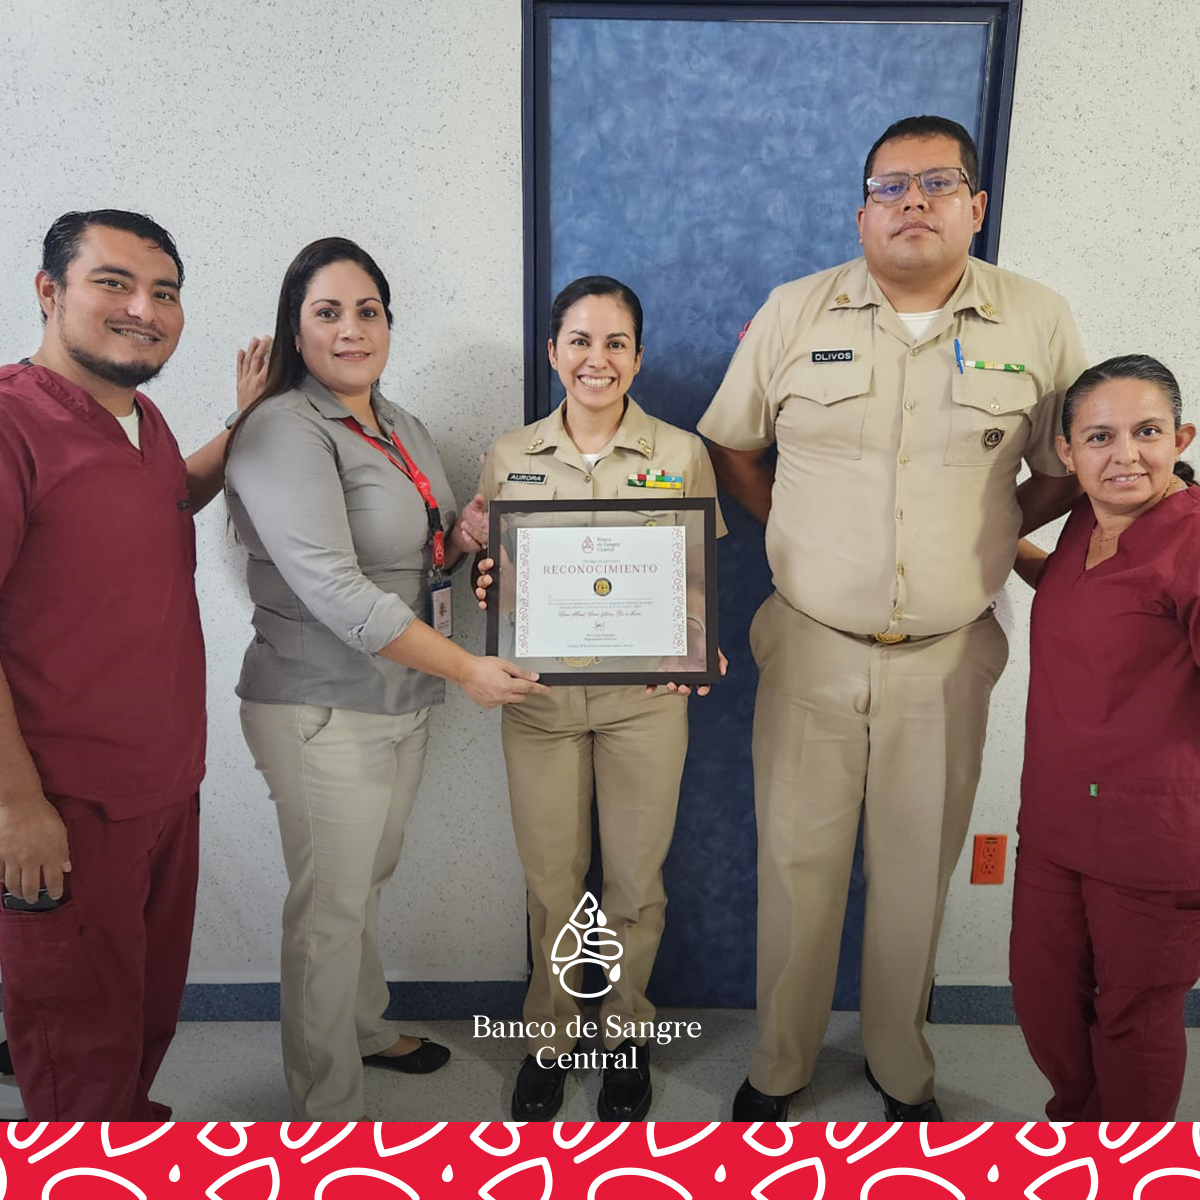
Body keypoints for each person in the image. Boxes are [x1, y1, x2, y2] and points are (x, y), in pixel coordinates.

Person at [698, 115, 1089, 1122]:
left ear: (976, 205)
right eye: (890, 185)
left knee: (918, 871)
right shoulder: (794, 312)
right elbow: (732, 447)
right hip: (812, 645)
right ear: (862, 206)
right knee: (796, 864)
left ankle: (897, 1061)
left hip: (949, 655)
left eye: (937, 182)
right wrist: (789, 525)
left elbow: (1061, 469)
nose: (912, 201)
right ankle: (781, 1059)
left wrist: (998, 528)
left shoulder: (1037, 321)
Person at [225, 237, 547, 1122]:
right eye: (328, 311)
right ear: (297, 325)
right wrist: (469, 668)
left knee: (363, 876)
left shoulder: (397, 423)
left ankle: (364, 1027)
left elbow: (418, 556)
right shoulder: (283, 427)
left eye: (368, 310)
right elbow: (334, 587)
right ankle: (325, 1108)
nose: (352, 328)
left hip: (399, 696)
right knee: (329, 905)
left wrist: (464, 538)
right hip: (318, 704)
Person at [0, 209, 263, 1119]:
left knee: (144, 1009)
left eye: (165, 292)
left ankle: (123, 1126)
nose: (143, 309)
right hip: (64, 803)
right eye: (112, 282)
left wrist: (245, 422)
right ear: (48, 291)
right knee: (77, 1036)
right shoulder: (10, 425)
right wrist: (16, 805)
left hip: (162, 785)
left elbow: (165, 498)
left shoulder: (138, 417)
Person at [470, 275, 727, 1122]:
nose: (597, 358)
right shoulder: (510, 455)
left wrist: (697, 639)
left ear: (639, 357)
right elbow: (497, 573)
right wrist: (489, 585)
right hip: (537, 702)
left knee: (634, 883)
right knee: (551, 881)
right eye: (580, 340)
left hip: (646, 702)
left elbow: (695, 572)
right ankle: (547, 1038)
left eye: (616, 342)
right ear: (552, 352)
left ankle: (624, 1033)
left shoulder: (681, 452)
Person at [1010, 354, 1200, 1121]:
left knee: (1133, 1019)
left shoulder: (1189, 539)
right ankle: (1082, 1135)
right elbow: (1075, 589)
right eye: (1100, 436)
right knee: (1044, 998)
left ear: (1181, 436)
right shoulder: (1088, 516)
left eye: (1147, 432)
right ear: (1067, 453)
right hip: (1057, 821)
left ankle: (1130, 1165)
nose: (1125, 454)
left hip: (1150, 837)